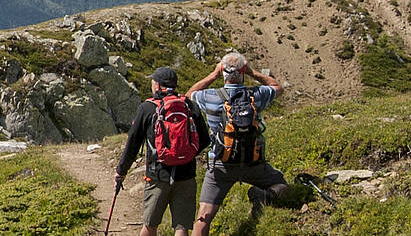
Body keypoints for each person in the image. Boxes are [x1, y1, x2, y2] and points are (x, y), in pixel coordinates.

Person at [188, 52, 288, 236]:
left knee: (203, 217)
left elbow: (189, 95)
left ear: (223, 72)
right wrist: (253, 73)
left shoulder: (211, 97)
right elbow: (278, 87)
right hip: (253, 162)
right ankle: (265, 195)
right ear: (242, 71)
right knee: (282, 185)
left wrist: (213, 74)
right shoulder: (255, 96)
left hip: (220, 166)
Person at [114, 67, 210, 236]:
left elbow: (133, 143)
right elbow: (205, 140)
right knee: (181, 227)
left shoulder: (147, 108)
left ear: (157, 86)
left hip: (158, 175)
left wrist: (121, 171)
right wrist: (185, 154)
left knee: (150, 225)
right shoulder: (190, 106)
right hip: (186, 175)